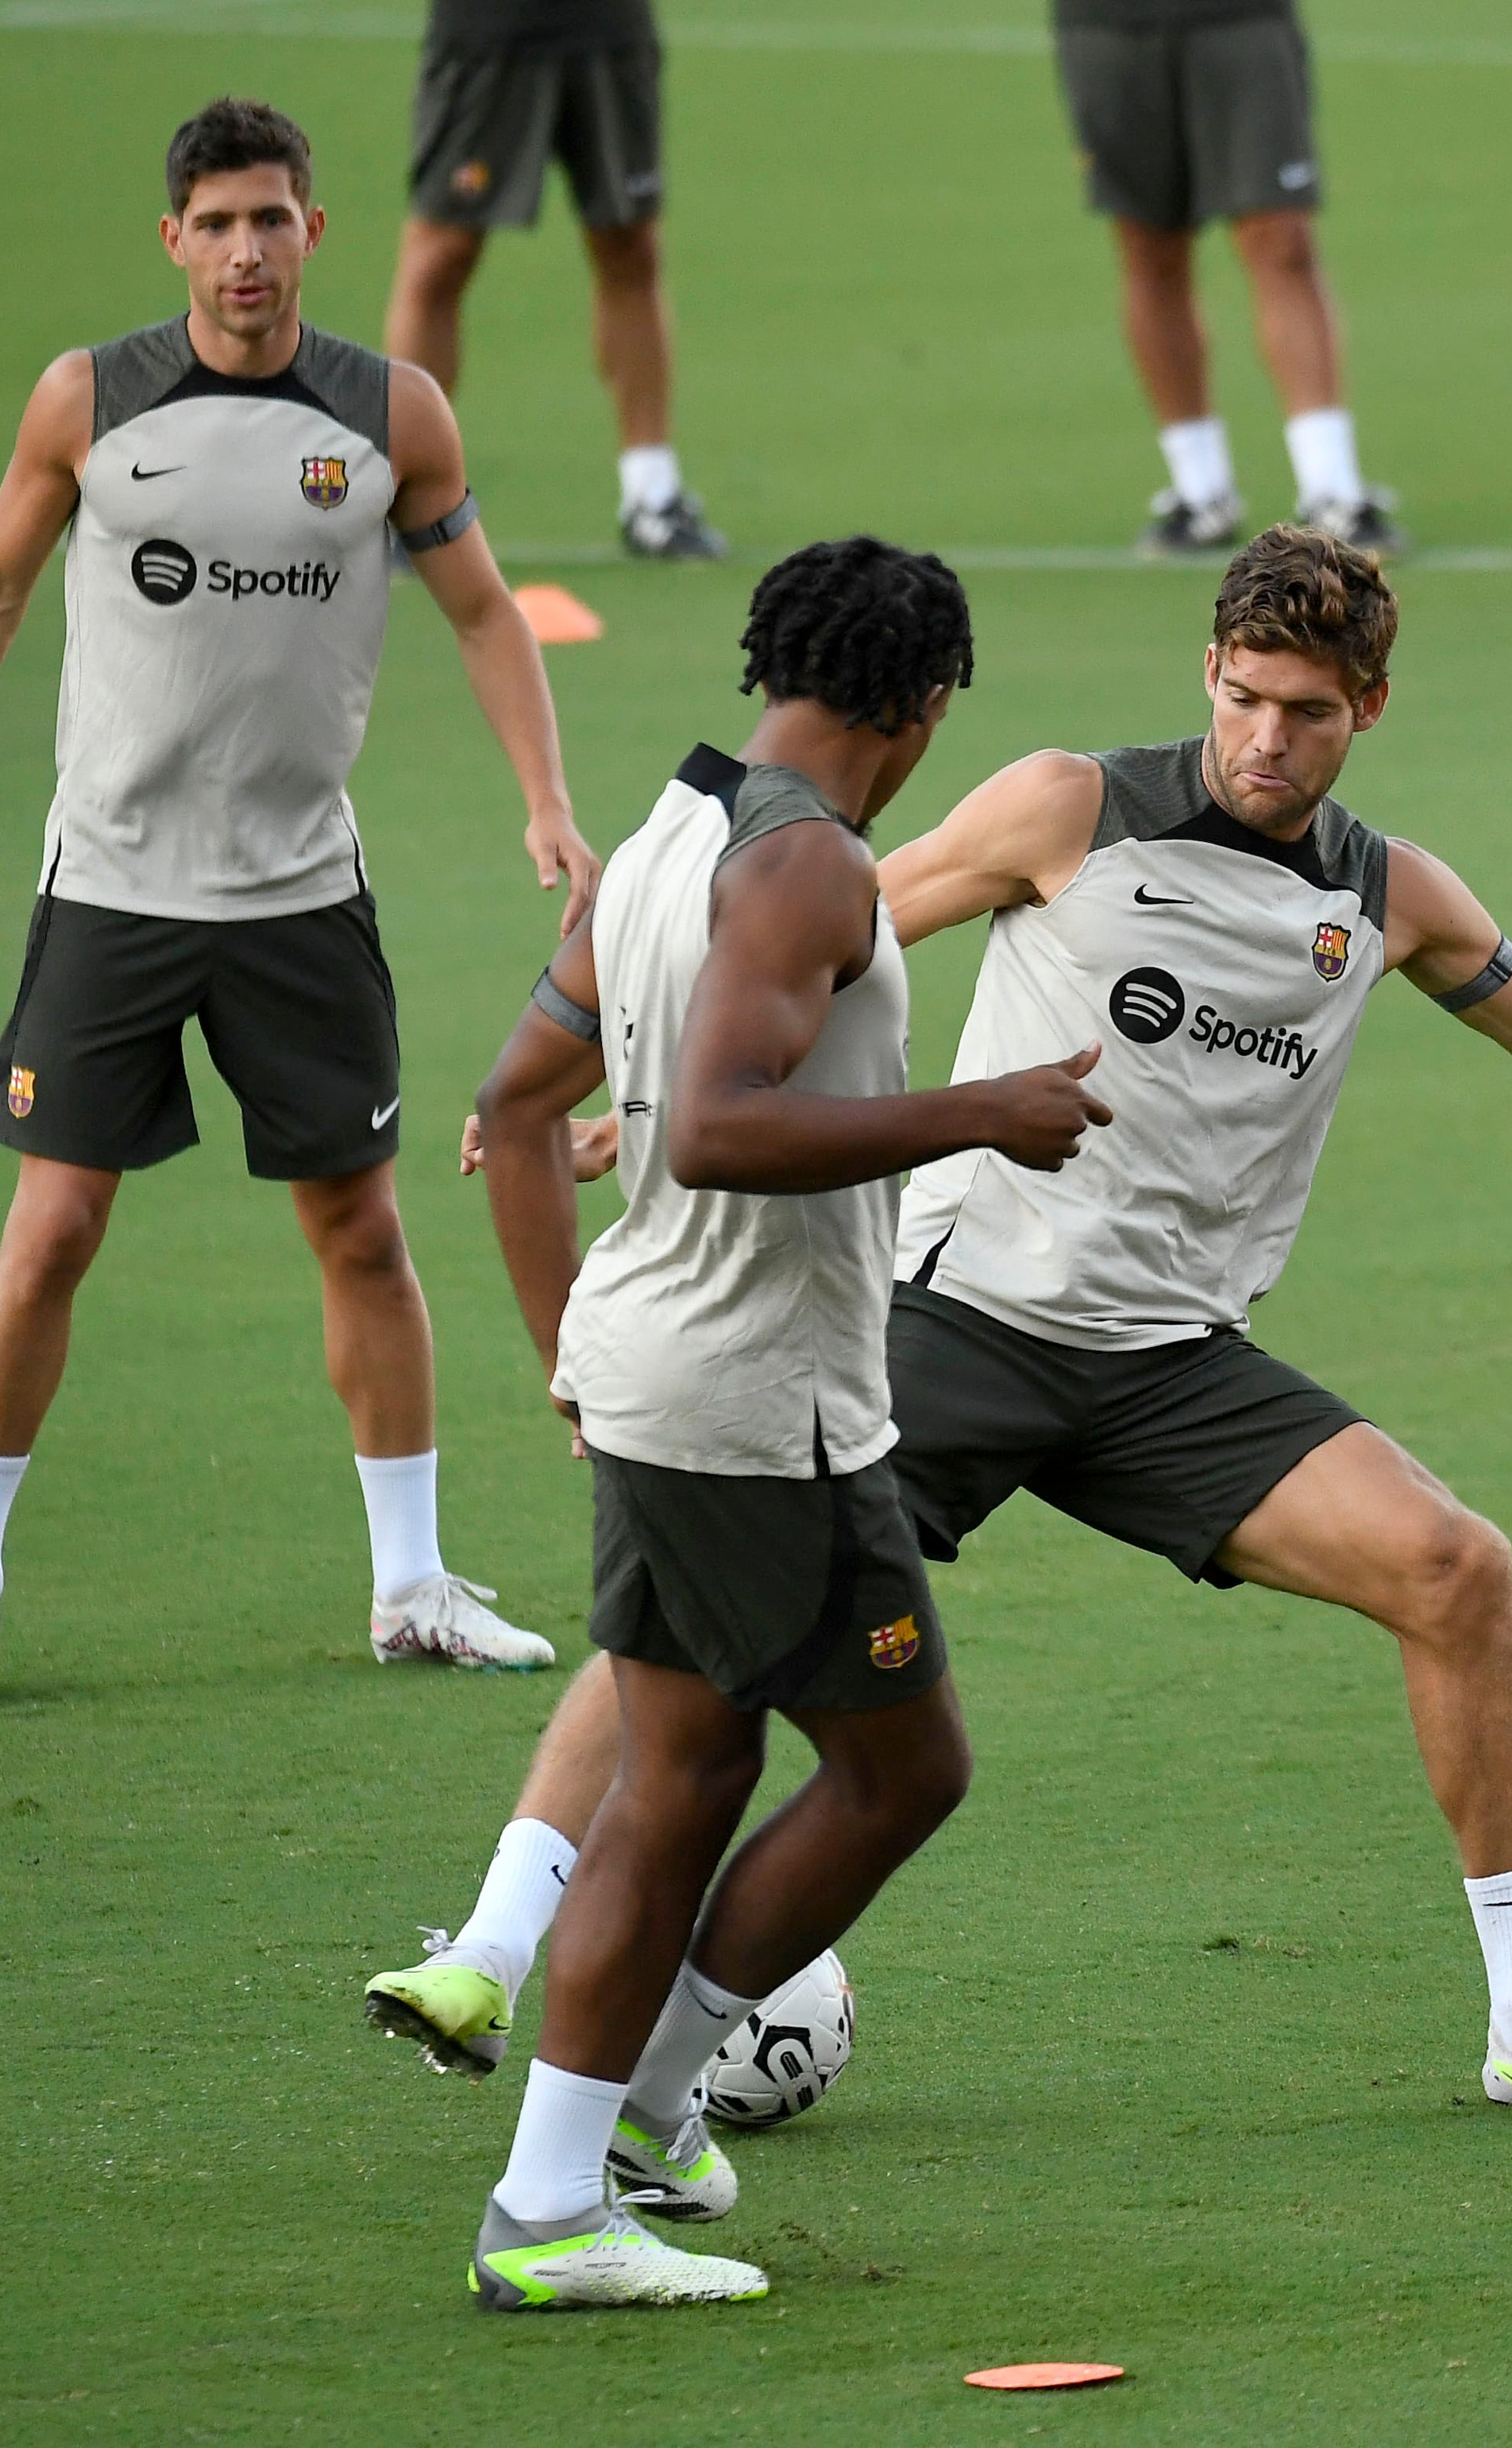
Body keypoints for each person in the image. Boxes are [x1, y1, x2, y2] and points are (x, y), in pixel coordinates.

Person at [372, 527, 1512, 2120]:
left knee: (1455, 1567)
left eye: (1305, 711)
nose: (1264, 736)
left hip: (1170, 1365)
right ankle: (491, 1948)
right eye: (1241, 694)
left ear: (1365, 710)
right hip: (960, 1316)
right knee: (694, 1610)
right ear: (1209, 671)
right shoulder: (1067, 808)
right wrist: (634, 1094)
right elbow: (818, 915)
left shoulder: (1393, 897)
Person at [0, 98, 603, 1709]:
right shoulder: (91, 402)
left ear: (314, 231)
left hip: (301, 896)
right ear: (174, 240)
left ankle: (411, 1582)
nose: (245, 250)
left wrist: (547, 804)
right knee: (56, 1227)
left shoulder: (389, 413)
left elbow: (488, 611)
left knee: (361, 1228)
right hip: (113, 888)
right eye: (217, 222)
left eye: (272, 219)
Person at [461, 536, 1113, 2311]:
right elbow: (721, 1126)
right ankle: (594, 2162)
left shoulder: (669, 830)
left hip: (674, 1371)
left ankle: (588, 2167)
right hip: (761, 1406)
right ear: (921, 710)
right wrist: (983, 1106)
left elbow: (516, 1104)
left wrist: (567, 1351)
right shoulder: (812, 868)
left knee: (687, 1773)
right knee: (897, 1766)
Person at [1005, 0, 1398, 560]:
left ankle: (1334, 491)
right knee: (1150, 245)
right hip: (1109, 6)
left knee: (1280, 236)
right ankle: (1199, 490)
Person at [386, 0, 723, 561]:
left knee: (630, 242)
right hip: (487, 11)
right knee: (441, 252)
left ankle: (652, 494)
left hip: (603, 0)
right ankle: (404, 497)